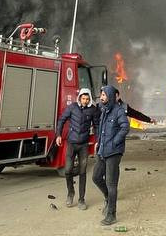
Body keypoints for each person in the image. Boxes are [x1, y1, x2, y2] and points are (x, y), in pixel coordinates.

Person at [54, 87, 99, 209]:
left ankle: (81, 200)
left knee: (82, 172)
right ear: (79, 98)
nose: (85, 101)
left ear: (89, 99)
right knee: (68, 170)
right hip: (71, 144)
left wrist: (97, 141)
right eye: (83, 98)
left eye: (87, 99)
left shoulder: (93, 110)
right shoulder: (72, 107)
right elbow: (62, 119)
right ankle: (70, 193)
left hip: (83, 145)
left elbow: (97, 126)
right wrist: (58, 135)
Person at [92, 84, 130, 226]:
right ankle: (108, 198)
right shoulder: (104, 110)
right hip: (102, 150)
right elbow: (101, 129)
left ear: (110, 96)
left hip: (114, 152)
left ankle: (111, 215)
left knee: (111, 183)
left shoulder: (118, 111)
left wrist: (115, 142)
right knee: (96, 177)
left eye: (103, 95)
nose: (101, 97)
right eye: (101, 95)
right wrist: (98, 142)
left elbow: (125, 127)